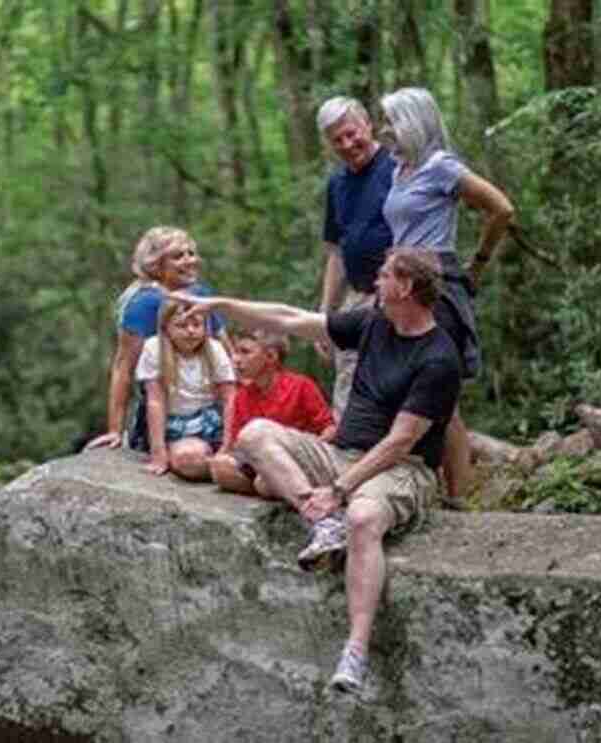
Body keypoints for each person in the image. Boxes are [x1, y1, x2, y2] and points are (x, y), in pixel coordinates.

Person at [171, 247, 462, 695]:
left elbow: (400, 441)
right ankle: (323, 523)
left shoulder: (439, 358)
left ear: (404, 287)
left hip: (400, 468)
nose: (375, 283)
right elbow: (289, 319)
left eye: (384, 276)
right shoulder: (371, 322)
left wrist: (342, 489)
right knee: (253, 435)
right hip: (341, 453)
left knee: (363, 519)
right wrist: (220, 305)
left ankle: (355, 652)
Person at [378, 87, 515, 504]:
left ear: (413, 123)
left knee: (444, 400)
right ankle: (430, 489)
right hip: (400, 285)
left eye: (391, 120)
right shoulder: (398, 168)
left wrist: (478, 263)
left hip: (436, 285)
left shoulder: (441, 167)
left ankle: (460, 499)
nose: (384, 129)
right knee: (406, 394)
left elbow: (502, 208)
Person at [85, 227, 224, 453]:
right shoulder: (144, 303)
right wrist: (114, 429)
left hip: (209, 402)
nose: (189, 261)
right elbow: (123, 367)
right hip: (166, 408)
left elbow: (225, 348)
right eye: (178, 256)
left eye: (191, 253)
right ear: (156, 265)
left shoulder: (202, 295)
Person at [313, 96, 396, 416]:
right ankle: (348, 456)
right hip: (357, 294)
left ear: (368, 125)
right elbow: (336, 252)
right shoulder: (337, 183)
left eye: (352, 133)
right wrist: (325, 313)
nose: (348, 144)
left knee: (396, 379)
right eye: (337, 140)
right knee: (348, 380)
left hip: (399, 293)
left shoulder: (395, 167)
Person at [209, 328, 336, 496]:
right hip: (257, 463)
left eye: (245, 352)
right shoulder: (242, 396)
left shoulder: (301, 386)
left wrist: (312, 452)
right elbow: (236, 444)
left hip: (294, 461)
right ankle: (270, 488)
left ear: (271, 356)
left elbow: (329, 429)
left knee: (265, 483)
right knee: (220, 467)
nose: (236, 359)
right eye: (236, 352)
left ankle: (281, 487)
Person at [135, 301, 236, 479]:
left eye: (197, 324)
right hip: (174, 424)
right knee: (189, 459)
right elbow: (155, 401)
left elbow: (230, 400)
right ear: (166, 328)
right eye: (181, 325)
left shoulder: (215, 349)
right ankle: (211, 465)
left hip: (211, 422)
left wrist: (227, 446)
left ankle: (221, 465)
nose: (191, 331)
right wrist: (158, 451)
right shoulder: (154, 347)